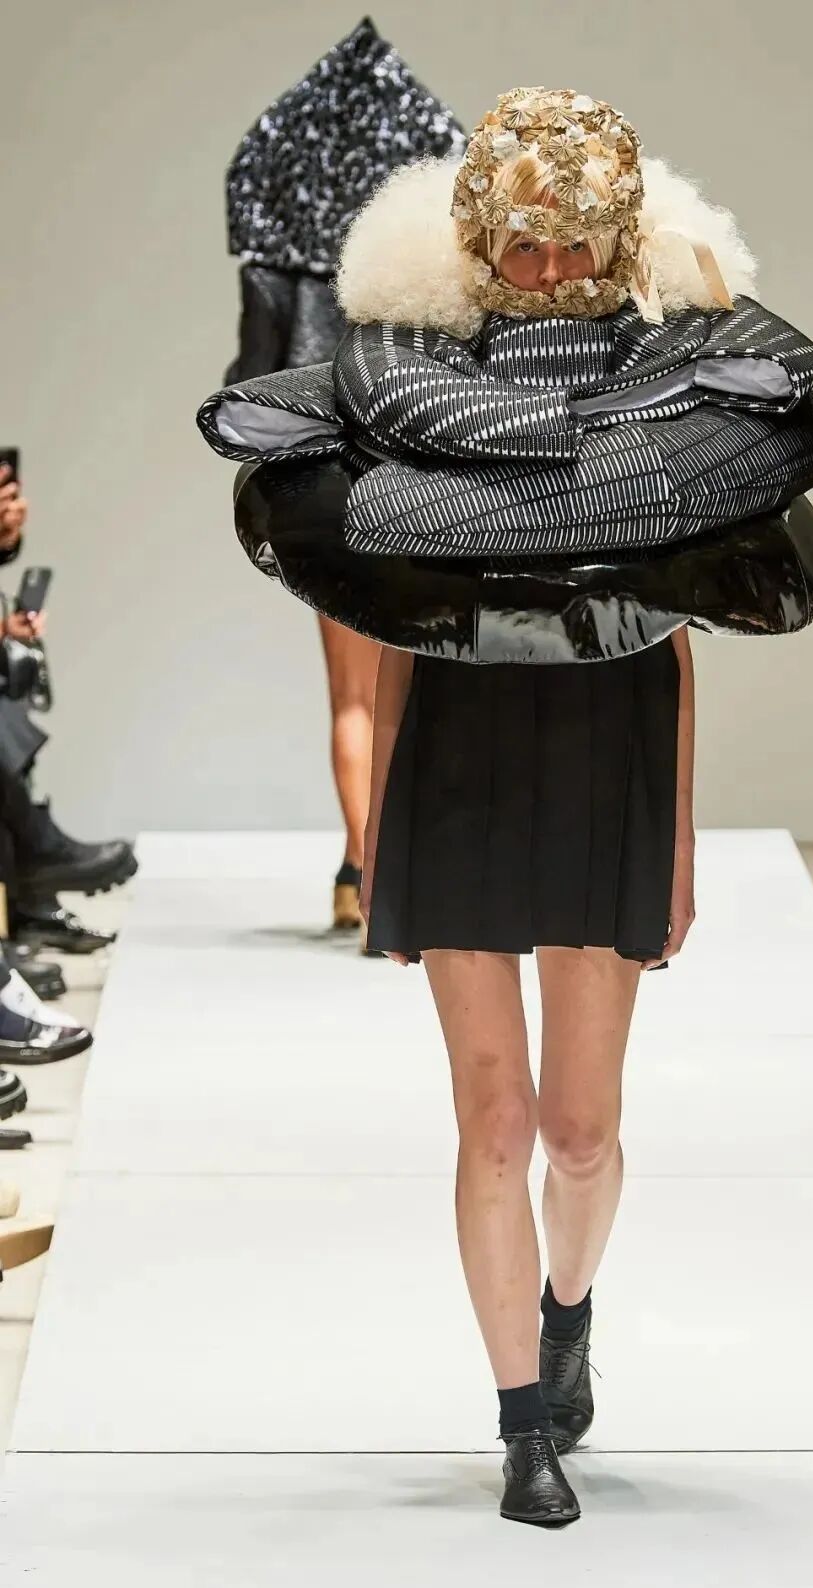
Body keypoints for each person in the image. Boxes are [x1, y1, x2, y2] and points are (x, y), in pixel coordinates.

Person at [199, 86, 813, 1525]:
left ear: (616, 241)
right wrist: (378, 836)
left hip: (612, 745)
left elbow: (677, 638)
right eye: (524, 243)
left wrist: (679, 845)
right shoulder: (411, 386)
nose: (549, 269)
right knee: (494, 1121)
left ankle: (568, 1316)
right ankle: (521, 1425)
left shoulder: (670, 394)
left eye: (574, 243)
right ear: (483, 244)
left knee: (581, 1130)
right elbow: (383, 616)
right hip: (460, 758)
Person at [222, 18, 464, 935]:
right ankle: (398, 875)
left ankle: (362, 875)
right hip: (419, 476)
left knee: (352, 694)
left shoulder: (273, 240)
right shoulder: (429, 248)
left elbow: (253, 374)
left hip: (319, 478)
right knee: (414, 683)